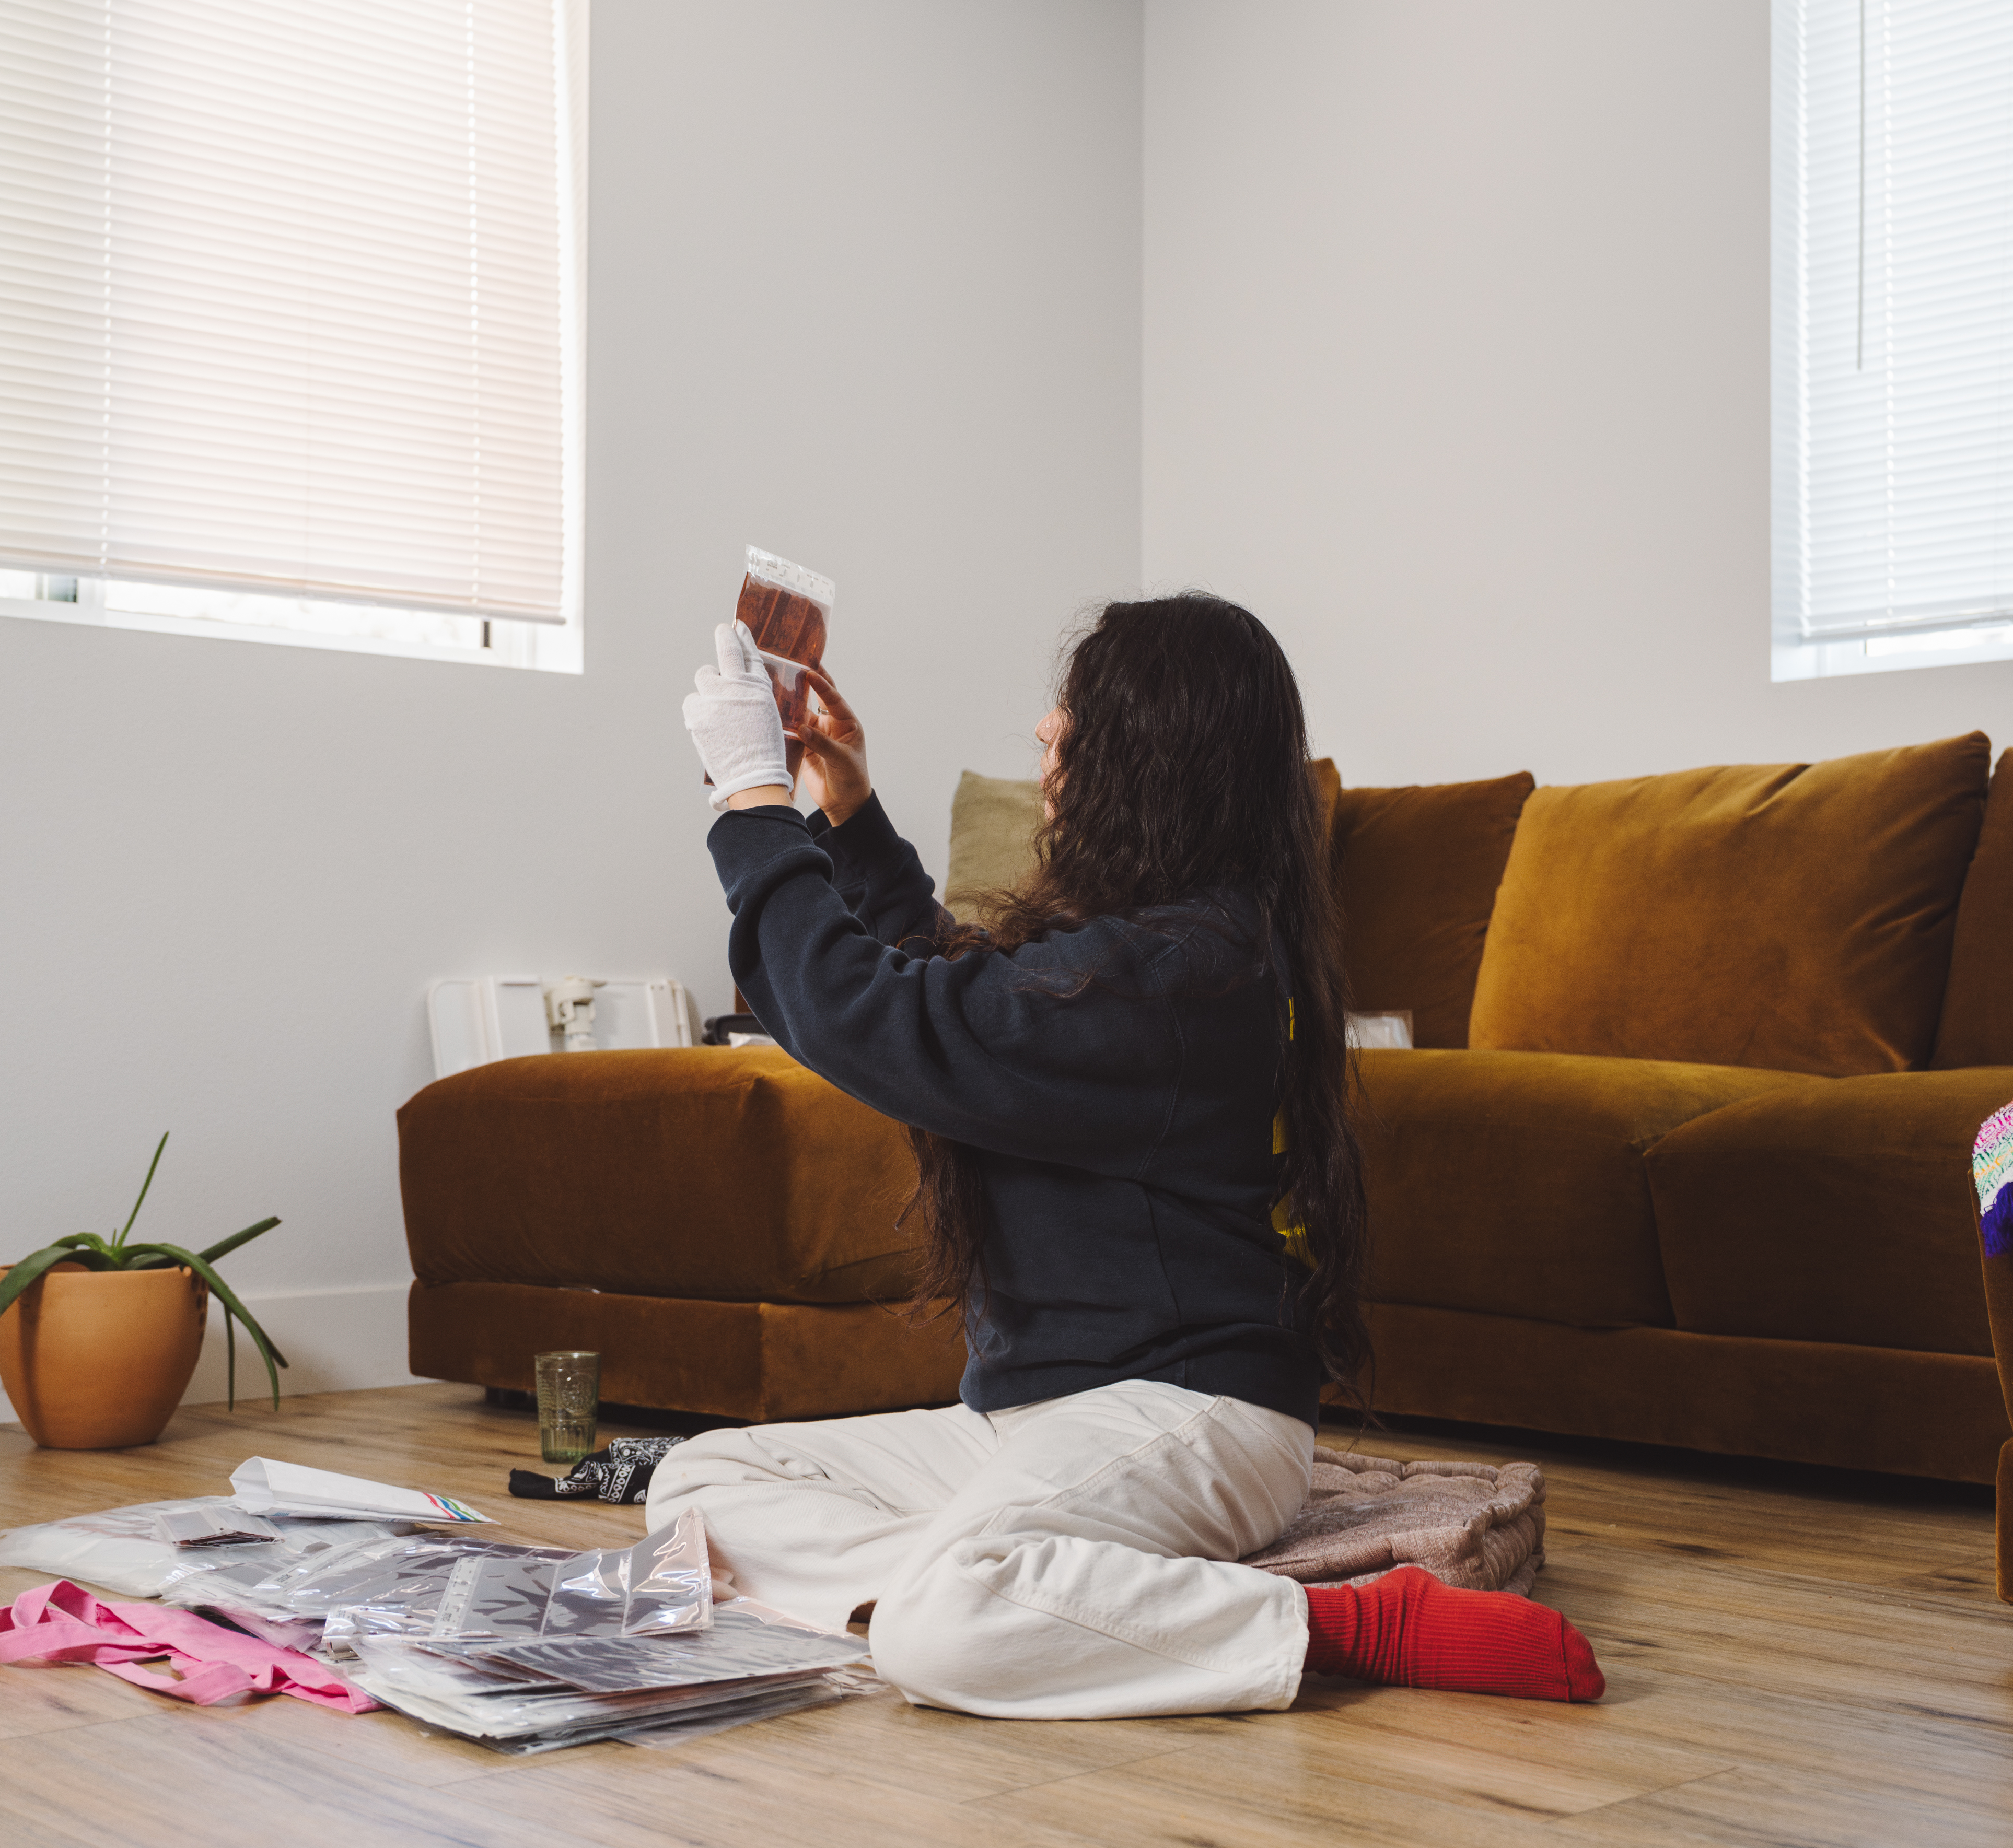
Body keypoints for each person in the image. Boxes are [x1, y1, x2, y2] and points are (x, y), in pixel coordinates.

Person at [659, 592, 1604, 1720]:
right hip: (1034, 1410)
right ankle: (1046, 1592)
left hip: (1188, 1410)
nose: (1048, 737)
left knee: (940, 1625)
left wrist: (751, 797)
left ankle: (1338, 1621)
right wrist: (846, 812)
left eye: (1075, 718)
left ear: (1154, 755)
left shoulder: (1176, 977)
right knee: (698, 1485)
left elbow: (885, 1020)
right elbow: (965, 1009)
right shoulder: (1152, 951)